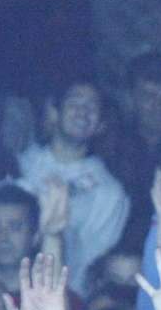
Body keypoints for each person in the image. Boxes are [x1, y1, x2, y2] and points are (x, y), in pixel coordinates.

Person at [18, 78, 128, 295]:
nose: (82, 112)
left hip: (65, 299)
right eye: (74, 102)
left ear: (101, 124)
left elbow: (90, 265)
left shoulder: (110, 192)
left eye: (92, 107)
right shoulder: (21, 164)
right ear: (53, 112)